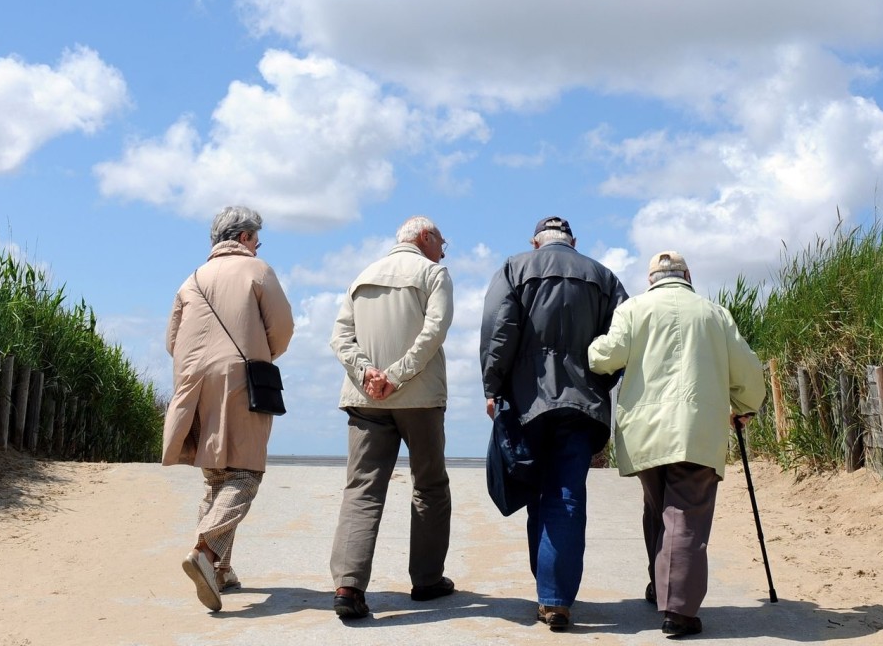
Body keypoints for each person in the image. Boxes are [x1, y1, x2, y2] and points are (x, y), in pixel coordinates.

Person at [587, 250, 766, 638]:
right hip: (697, 431)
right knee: (684, 514)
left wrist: (587, 350)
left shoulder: (634, 309)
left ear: (651, 279)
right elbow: (747, 367)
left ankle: (661, 586)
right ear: (688, 275)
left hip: (644, 433)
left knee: (658, 510)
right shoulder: (714, 314)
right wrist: (747, 406)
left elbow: (605, 357)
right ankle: (679, 611)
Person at [481, 216, 627, 630]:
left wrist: (492, 387)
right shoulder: (604, 276)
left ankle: (547, 593)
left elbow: (499, 330)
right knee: (566, 495)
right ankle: (557, 597)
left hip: (528, 402)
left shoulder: (515, 268)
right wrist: (602, 381)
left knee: (535, 492)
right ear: (573, 242)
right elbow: (623, 340)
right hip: (583, 404)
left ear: (535, 241)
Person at [162, 205, 295, 612]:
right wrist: (259, 351)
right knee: (246, 474)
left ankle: (219, 571)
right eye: (256, 238)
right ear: (242, 238)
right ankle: (204, 548)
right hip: (240, 381)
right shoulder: (258, 270)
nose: (257, 245)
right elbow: (284, 328)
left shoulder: (192, 279)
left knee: (217, 478)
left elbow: (171, 340)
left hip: (193, 386)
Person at [328, 216, 456, 620]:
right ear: (425, 238)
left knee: (361, 488)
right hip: (418, 399)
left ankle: (348, 587)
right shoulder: (434, 273)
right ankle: (427, 580)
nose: (443, 250)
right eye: (442, 242)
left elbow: (340, 338)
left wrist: (367, 373)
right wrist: (396, 376)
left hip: (365, 398)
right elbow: (435, 331)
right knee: (430, 486)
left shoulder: (361, 276)